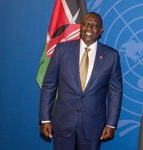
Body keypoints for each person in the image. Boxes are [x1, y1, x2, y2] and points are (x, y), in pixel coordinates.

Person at [39, 12, 122, 150]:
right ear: (80, 27)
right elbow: (49, 85)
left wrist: (111, 124)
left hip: (93, 126)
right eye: (85, 24)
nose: (89, 28)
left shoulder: (111, 56)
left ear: (101, 30)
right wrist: (45, 119)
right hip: (63, 123)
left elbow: (116, 92)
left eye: (94, 25)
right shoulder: (62, 50)